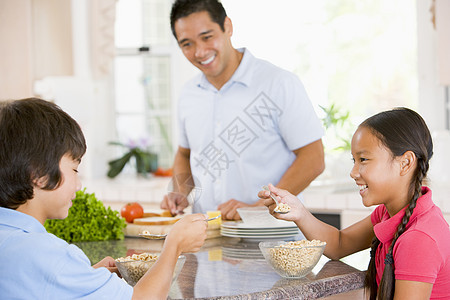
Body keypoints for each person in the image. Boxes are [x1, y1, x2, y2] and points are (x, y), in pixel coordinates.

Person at [0, 98, 208, 299]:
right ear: (39, 174)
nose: (79, 184)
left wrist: (85, 278)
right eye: (74, 169)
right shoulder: (50, 256)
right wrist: (174, 245)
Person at [260, 107, 450, 299]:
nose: (353, 172)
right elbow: (339, 244)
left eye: (363, 159)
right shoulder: (388, 213)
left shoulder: (419, 238)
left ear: (405, 163)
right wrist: (299, 212)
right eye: (354, 160)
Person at [161, 0, 325, 219]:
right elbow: (185, 153)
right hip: (208, 241)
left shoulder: (278, 83)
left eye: (207, 37)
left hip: (274, 238)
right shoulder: (188, 94)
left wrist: (259, 207)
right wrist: (180, 191)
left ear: (227, 26)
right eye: (187, 44)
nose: (200, 52)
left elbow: (313, 158)